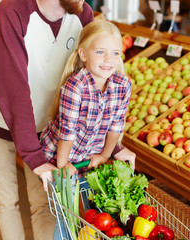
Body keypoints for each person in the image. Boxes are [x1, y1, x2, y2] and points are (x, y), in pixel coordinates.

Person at [0, 0, 134, 238]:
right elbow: (13, 88)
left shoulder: (83, 13)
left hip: (48, 131)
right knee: (8, 203)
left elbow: (93, 77)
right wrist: (33, 156)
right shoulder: (11, 10)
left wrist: (113, 146)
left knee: (44, 207)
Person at [39, 19, 131, 239]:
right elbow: (67, 133)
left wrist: (104, 155)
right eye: (100, 52)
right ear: (83, 54)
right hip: (60, 155)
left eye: (115, 53)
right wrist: (63, 166)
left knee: (94, 213)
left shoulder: (122, 85)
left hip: (89, 156)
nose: (109, 59)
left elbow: (116, 127)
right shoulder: (75, 87)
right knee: (67, 216)